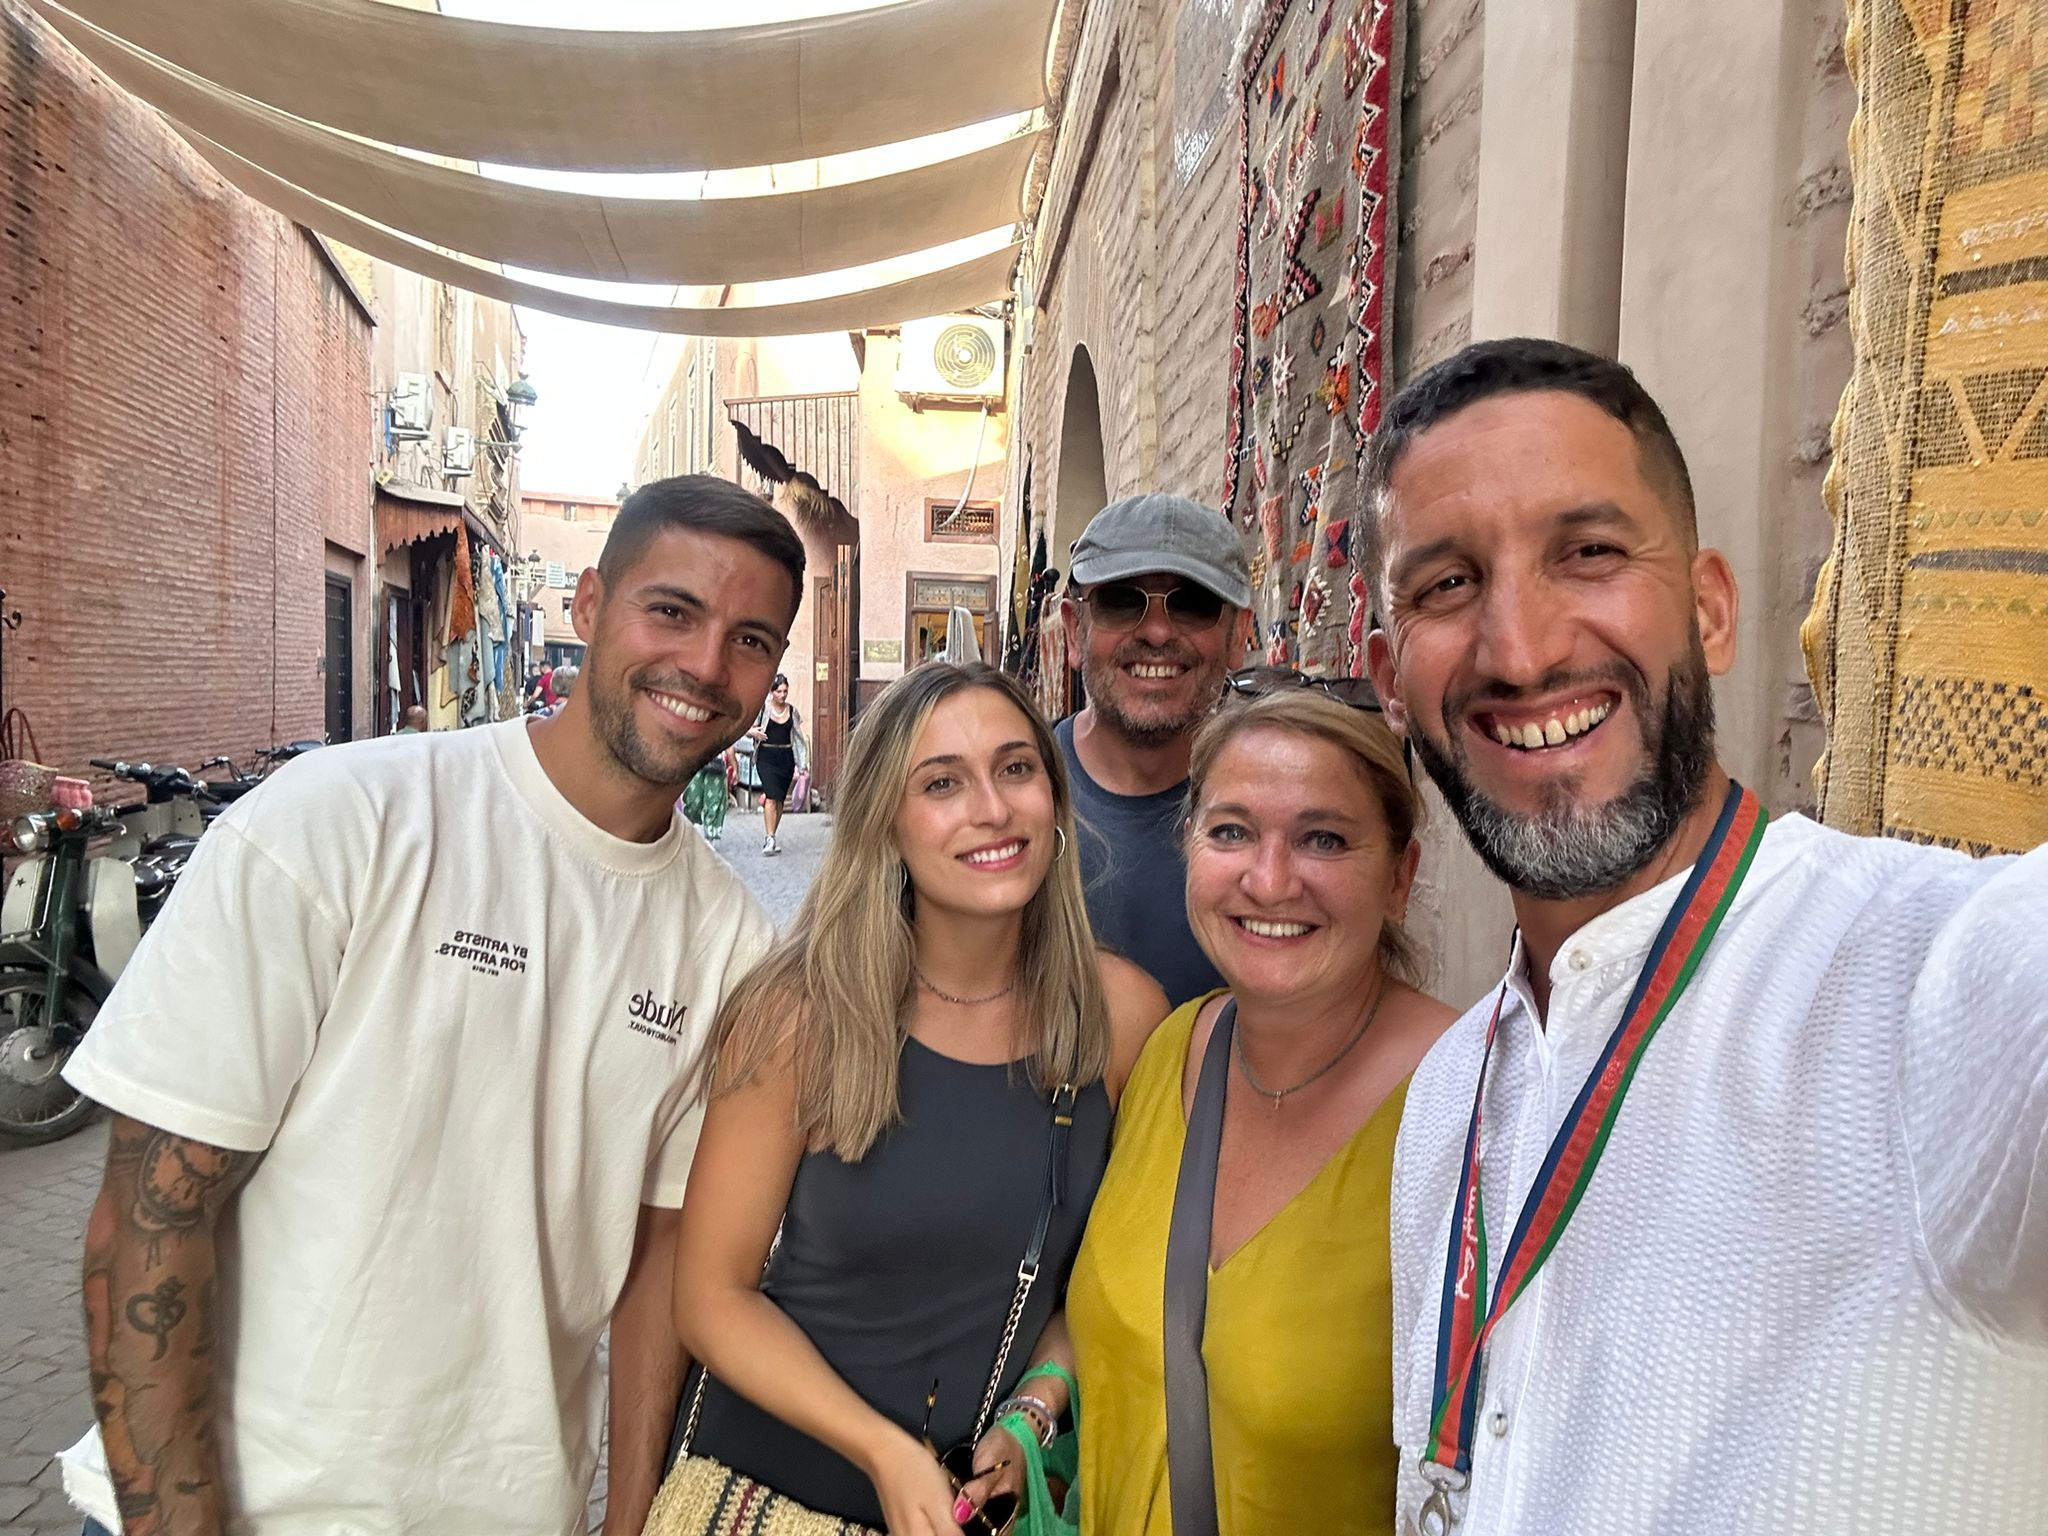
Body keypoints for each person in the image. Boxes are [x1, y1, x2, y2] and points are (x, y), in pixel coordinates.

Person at [1357, 338, 2048, 1534]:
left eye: (1587, 552)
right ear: (1386, 678)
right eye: (1447, 585)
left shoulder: (1931, 985)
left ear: (1709, 610)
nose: (1519, 649)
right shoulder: (1443, 1099)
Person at [59, 474, 807, 1536]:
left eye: (750, 639)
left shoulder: (731, 944)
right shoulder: (343, 821)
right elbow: (153, 1213)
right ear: (589, 605)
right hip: (249, 1509)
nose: (704, 665)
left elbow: (658, 1261)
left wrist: (632, 1519)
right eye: (672, 611)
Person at [656, 662, 1167, 1535]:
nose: (992, 809)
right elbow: (711, 1297)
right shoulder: (800, 1014)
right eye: (942, 783)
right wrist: (882, 1451)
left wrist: (1038, 1403)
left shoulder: (1119, 1018)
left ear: (1054, 797)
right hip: (768, 1497)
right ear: (885, 824)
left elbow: (1110, 1274)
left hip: (965, 1510)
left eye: (1016, 769)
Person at [1063, 680, 1453, 1533]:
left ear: (1400, 876)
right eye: (1232, 831)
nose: (1270, 880)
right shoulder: (1169, 1052)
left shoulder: (1467, 1106)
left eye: (1323, 839)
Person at [1056, 493, 1254, 1006]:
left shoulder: (1278, 812)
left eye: (1193, 604)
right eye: (1121, 601)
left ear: (1239, 635)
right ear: (1074, 630)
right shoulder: (1014, 797)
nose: (1159, 632)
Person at [745, 673, 805, 855]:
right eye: (779, 691)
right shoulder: (763, 709)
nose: (782, 695)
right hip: (766, 757)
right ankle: (769, 838)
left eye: (785, 691)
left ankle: (772, 834)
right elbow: (744, 727)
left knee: (779, 799)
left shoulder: (792, 711)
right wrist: (753, 733)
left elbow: (798, 737)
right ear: (772, 692)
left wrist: (802, 763)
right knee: (771, 796)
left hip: (786, 758)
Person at [681, 749, 731, 842]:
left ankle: (709, 835)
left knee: (713, 800)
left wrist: (734, 766)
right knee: (693, 799)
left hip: (715, 765)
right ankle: (688, 829)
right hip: (695, 762)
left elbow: (729, 746)